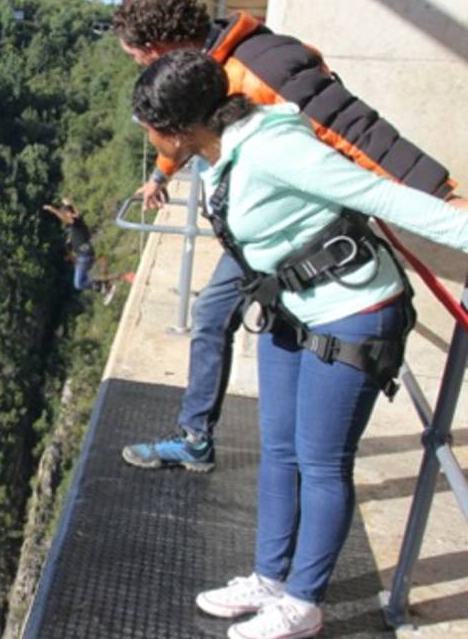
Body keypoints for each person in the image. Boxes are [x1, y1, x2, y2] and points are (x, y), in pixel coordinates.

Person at [131, 49, 468, 639]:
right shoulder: (218, 152)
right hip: (291, 307)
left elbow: (383, 198)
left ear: (183, 128)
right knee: (279, 450)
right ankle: (269, 579)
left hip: (352, 313)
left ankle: (303, 604)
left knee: (320, 462)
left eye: (154, 130)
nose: (153, 142)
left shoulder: (274, 148)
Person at [111, 0, 460, 472]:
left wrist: (441, 198)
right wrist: (159, 176)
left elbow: (352, 129)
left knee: (215, 316)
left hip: (300, 234)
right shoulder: (218, 61)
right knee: (219, 318)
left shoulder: (260, 68)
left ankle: (209, 441)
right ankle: (208, 438)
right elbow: (181, 126)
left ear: (157, 48)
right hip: (263, 227)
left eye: (138, 60)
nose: (142, 70)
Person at [43, 197, 116, 303]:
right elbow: (74, 212)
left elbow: (66, 216)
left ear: (69, 214)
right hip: (85, 255)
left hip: (85, 256)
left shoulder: (75, 221)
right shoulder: (77, 222)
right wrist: (69, 204)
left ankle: (105, 287)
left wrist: (52, 210)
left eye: (66, 214)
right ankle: (105, 286)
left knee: (79, 283)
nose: (64, 219)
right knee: (80, 282)